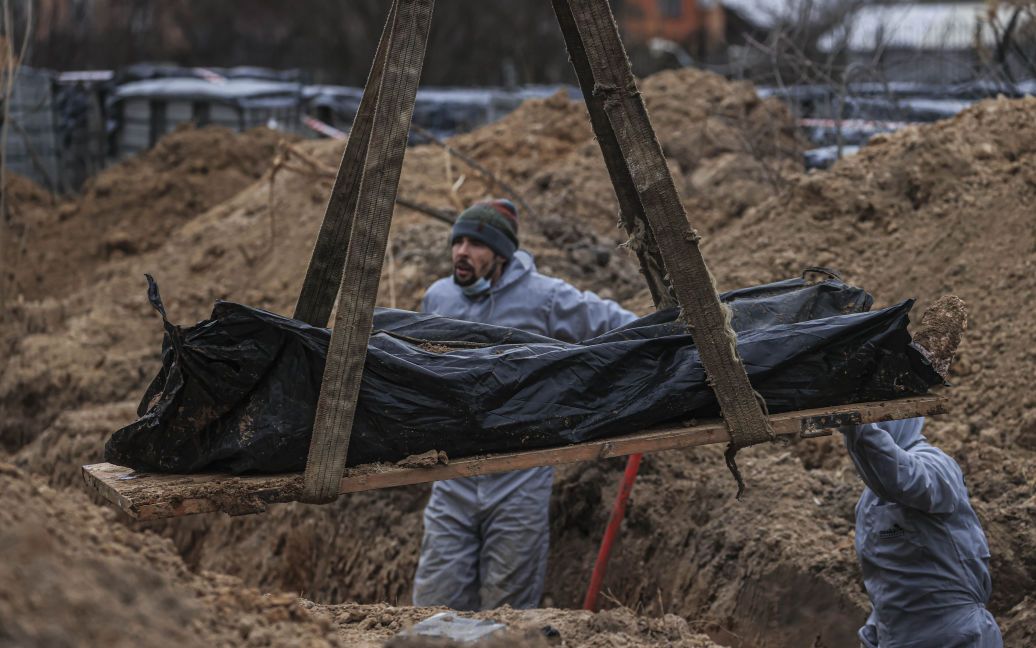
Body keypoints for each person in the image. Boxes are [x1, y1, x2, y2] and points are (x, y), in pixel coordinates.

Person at [412, 198, 636, 611]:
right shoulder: (439, 298)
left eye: (475, 244)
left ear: (501, 253)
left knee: (507, 611)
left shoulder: (544, 297)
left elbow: (620, 325)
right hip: (452, 477)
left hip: (518, 479)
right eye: (457, 242)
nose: (461, 252)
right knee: (434, 605)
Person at [841, 417, 1003, 647]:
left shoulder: (935, 464)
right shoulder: (869, 501)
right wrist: (875, 633)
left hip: (956, 637)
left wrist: (858, 426)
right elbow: (888, 584)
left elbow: (905, 479)